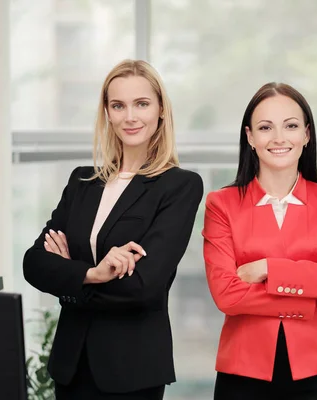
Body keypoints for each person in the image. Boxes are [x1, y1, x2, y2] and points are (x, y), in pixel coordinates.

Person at [23, 59, 203, 399]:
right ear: (107, 112)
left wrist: (70, 277)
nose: (130, 117)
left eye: (142, 104)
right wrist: (93, 273)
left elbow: (143, 286)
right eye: (118, 105)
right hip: (71, 366)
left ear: (161, 110)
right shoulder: (81, 182)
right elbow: (33, 264)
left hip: (131, 370)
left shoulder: (179, 186)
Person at [202, 82, 317, 400]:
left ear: (306, 134)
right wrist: (312, 288)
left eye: (290, 126)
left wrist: (265, 268)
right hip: (243, 373)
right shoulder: (221, 204)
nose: (278, 138)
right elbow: (226, 295)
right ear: (250, 137)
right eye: (265, 127)